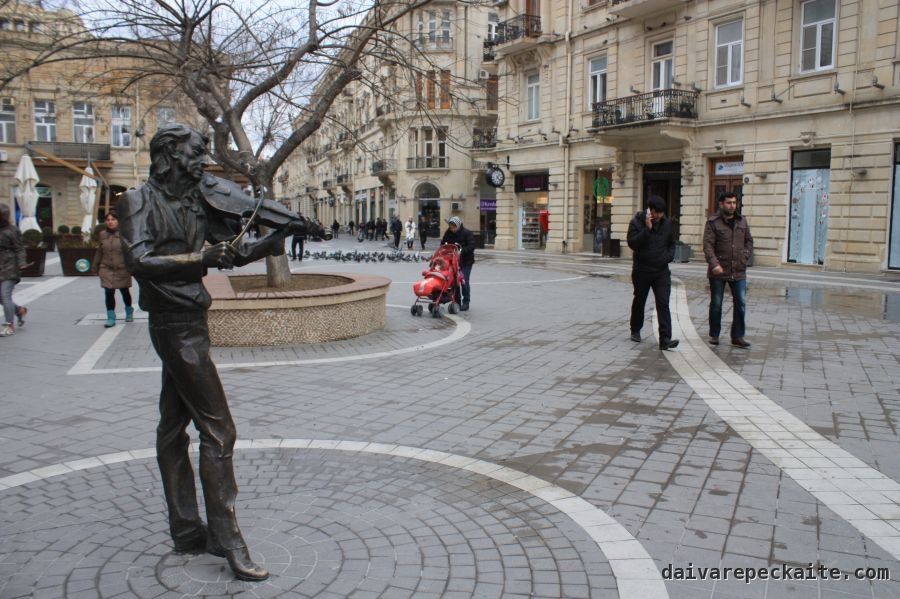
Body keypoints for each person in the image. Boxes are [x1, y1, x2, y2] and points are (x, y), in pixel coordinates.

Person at [118, 124, 293, 582]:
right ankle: (228, 539)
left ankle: (187, 529)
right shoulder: (137, 201)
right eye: (195, 153)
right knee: (220, 431)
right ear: (170, 154)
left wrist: (273, 239)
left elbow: (229, 254)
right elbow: (139, 262)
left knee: (173, 425)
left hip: (193, 320)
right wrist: (202, 260)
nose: (202, 162)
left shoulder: (195, 198)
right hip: (172, 326)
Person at [626, 196, 679, 350]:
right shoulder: (636, 222)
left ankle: (665, 339)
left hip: (661, 271)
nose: (659, 216)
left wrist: (668, 257)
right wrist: (646, 229)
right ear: (650, 210)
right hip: (642, 270)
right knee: (639, 300)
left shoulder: (667, 224)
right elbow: (632, 243)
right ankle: (635, 329)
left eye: (661, 214)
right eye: (656, 213)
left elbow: (672, 243)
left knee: (663, 303)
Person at [704, 191, 754, 348]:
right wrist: (714, 264)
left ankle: (737, 336)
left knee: (741, 303)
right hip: (719, 270)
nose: (732, 205)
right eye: (729, 203)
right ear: (721, 204)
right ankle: (714, 334)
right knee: (717, 303)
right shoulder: (713, 222)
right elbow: (708, 246)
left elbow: (749, 241)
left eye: (734, 203)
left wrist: (745, 257)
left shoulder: (742, 221)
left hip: (738, 270)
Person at [92, 211, 133, 328]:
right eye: (108, 220)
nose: (110, 222)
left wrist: (133, 266)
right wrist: (95, 266)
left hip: (122, 268)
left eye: (113, 219)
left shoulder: (125, 234)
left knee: (124, 291)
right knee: (108, 292)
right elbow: (99, 251)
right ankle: (111, 317)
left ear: (118, 221)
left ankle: (129, 311)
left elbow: (130, 252)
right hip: (106, 268)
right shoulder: (102, 234)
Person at [0, 204, 27, 337]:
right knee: (1, 297)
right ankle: (19, 310)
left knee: (5, 295)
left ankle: (9, 324)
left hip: (10, 266)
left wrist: (22, 262)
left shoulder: (12, 230)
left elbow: (20, 248)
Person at [441, 216, 475, 311]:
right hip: (453, 261)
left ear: (458, 225)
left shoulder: (467, 233)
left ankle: (466, 302)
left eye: (454, 227)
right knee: (454, 282)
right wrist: (445, 249)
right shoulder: (448, 233)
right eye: (451, 227)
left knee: (464, 281)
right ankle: (457, 301)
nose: (452, 229)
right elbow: (443, 243)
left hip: (465, 261)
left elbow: (472, 246)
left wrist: (461, 251)